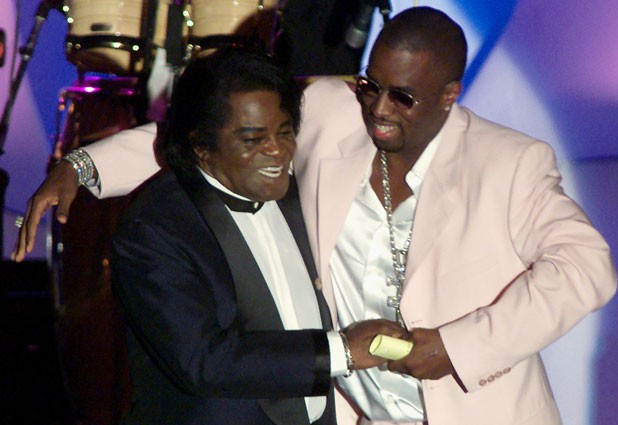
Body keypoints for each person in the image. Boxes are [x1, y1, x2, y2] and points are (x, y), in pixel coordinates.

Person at [12, 7, 617, 425]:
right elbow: (221, 130)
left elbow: (587, 267)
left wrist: (457, 346)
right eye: (371, 85)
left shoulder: (509, 162)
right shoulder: (334, 109)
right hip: (355, 413)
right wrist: (83, 167)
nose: (378, 109)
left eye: (403, 97)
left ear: (450, 95)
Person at [89, 47, 404, 425]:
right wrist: (343, 352)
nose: (278, 151)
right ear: (201, 147)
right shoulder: (154, 231)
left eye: (285, 132)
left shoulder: (301, 190)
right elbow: (203, 361)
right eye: (253, 140)